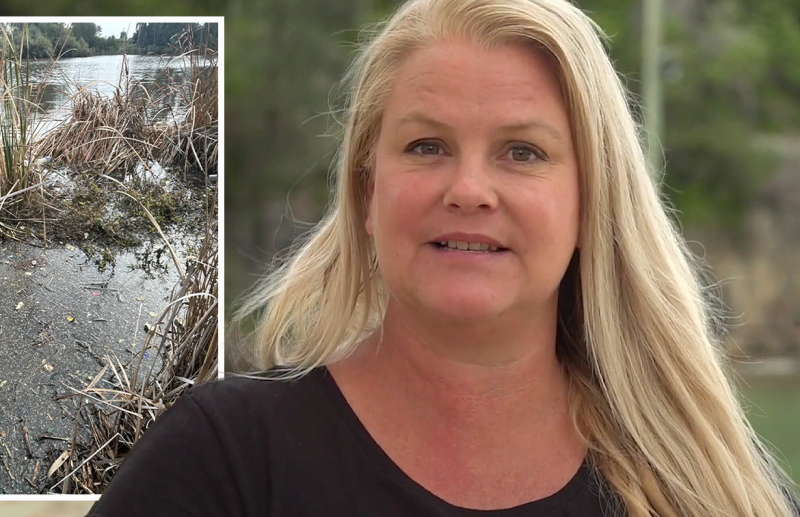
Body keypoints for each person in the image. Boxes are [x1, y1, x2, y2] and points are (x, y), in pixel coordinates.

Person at [88, 0, 800, 515]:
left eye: (523, 152)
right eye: (426, 145)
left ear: (591, 203)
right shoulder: (227, 458)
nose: (468, 189)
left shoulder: (701, 485)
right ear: (368, 193)